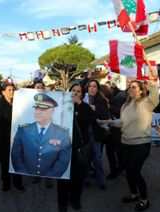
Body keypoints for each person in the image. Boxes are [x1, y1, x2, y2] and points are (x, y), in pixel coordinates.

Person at [110, 80, 159, 211]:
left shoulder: (147, 103)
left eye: (134, 87)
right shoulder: (125, 105)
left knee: (135, 172)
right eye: (129, 87)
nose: (130, 89)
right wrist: (110, 122)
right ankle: (133, 194)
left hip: (141, 143)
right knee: (128, 172)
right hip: (126, 142)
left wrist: (153, 83)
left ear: (141, 90)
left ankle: (144, 199)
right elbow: (122, 121)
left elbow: (155, 98)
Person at [11, 93, 72, 178]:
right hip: (27, 176)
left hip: (50, 178)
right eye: (36, 108)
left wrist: (50, 176)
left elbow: (63, 161)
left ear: (52, 111)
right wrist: (24, 173)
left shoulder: (62, 133)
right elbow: (16, 155)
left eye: (43, 109)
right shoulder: (23, 130)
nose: (38, 111)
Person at [57, 83, 96, 212]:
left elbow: (91, 119)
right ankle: (62, 202)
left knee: (78, 178)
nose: (75, 93)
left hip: (79, 149)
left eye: (78, 91)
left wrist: (80, 104)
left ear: (82, 95)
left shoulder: (85, 107)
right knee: (63, 178)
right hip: (63, 149)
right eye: (73, 90)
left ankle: (75, 200)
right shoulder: (62, 107)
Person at [0, 80, 25, 192]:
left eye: (13, 90)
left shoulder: (18, 104)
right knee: (5, 164)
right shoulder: (0, 105)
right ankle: (6, 183)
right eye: (9, 90)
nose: (12, 92)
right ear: (3, 92)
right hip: (4, 140)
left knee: (17, 162)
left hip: (17, 139)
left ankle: (17, 183)